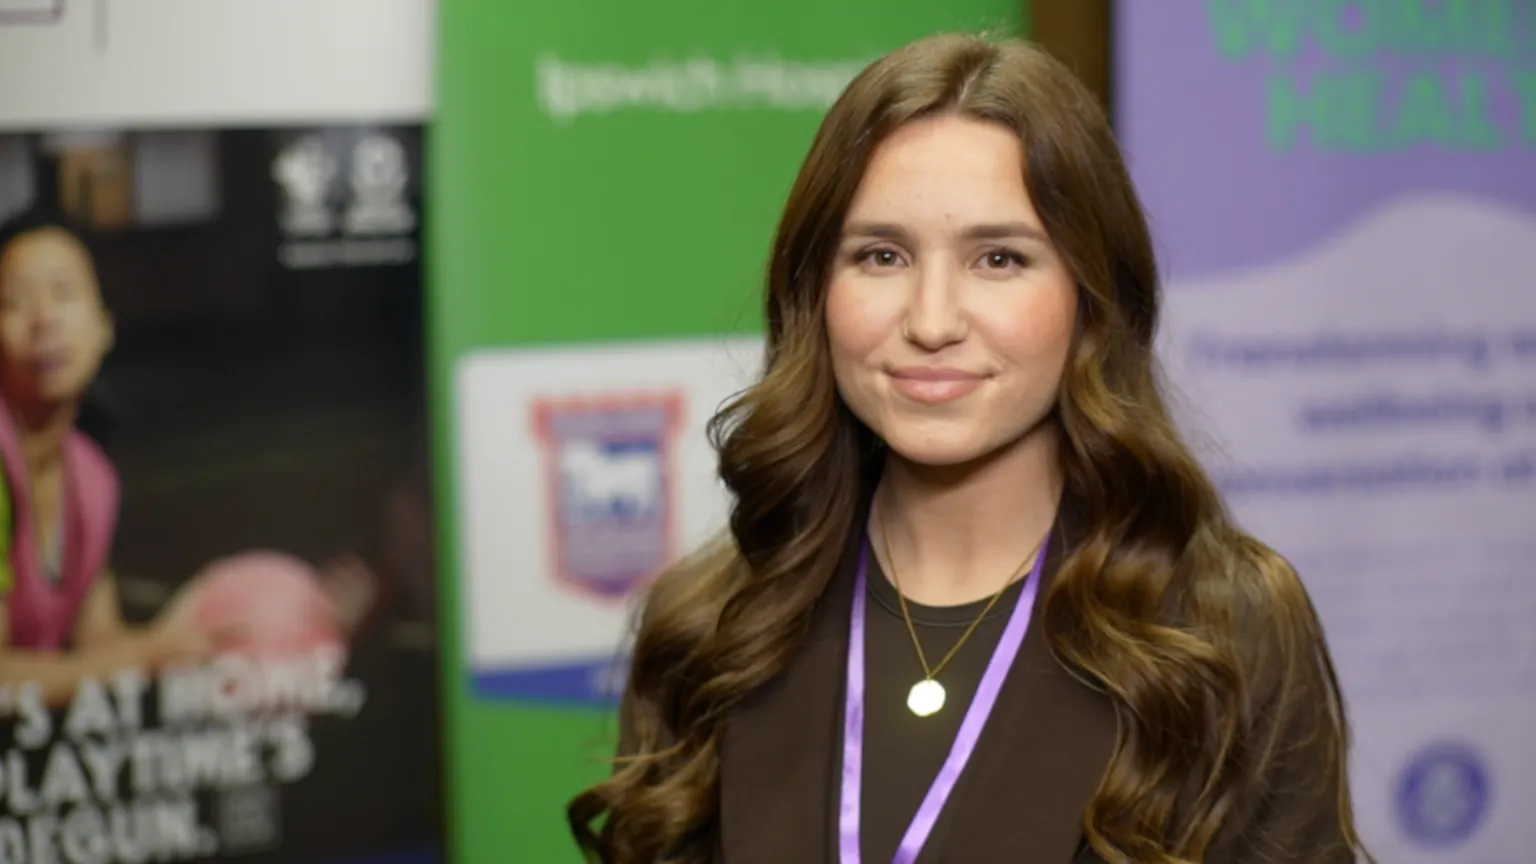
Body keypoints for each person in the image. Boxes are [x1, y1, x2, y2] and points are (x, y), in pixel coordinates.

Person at [567, 34, 1369, 864]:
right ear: (815, 293)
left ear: (1092, 296)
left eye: (999, 258)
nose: (933, 320)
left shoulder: (1222, 632)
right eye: (881, 255)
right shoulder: (706, 628)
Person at [0, 208, 212, 708]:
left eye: (65, 293)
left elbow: (100, 644)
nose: (44, 319)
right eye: (13, 300)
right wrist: (146, 657)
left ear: (104, 327)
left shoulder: (92, 477)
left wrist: (199, 625)